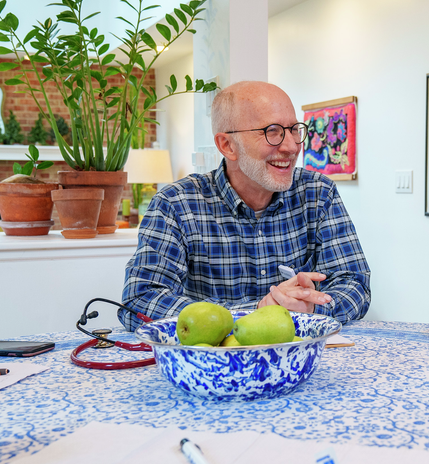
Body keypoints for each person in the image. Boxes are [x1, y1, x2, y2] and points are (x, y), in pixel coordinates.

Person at [119, 81, 371, 330]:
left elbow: (355, 283)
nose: (292, 146)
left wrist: (312, 307)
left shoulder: (318, 193)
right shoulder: (175, 204)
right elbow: (139, 300)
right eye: (272, 131)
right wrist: (255, 313)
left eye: (294, 129)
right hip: (215, 364)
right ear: (227, 145)